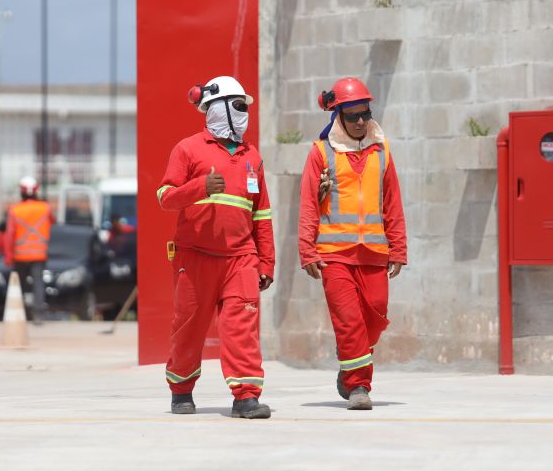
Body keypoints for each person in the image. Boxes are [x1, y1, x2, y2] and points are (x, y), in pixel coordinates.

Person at [157, 75, 275, 419]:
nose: (244, 114)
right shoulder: (188, 149)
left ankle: (246, 396)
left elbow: (262, 214)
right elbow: (165, 197)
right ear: (218, 108)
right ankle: (181, 389)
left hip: (241, 258)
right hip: (195, 257)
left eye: (245, 108)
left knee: (242, 328)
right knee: (189, 327)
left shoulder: (252, 155)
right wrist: (200, 187)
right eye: (238, 106)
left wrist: (266, 262)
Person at [298, 77, 407, 410]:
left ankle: (350, 356)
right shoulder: (320, 154)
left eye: (365, 114)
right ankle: (359, 386)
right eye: (353, 116)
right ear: (338, 117)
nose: (361, 122)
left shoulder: (382, 152)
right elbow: (307, 204)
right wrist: (307, 250)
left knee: (376, 317)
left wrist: (399, 248)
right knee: (349, 321)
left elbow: (393, 203)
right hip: (334, 255)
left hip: (375, 252)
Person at [4, 176, 54, 323]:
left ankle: (19, 313)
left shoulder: (15, 210)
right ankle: (38, 314)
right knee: (38, 284)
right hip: (39, 254)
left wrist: (8, 255)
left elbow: (9, 234)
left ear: (22, 192)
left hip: (20, 255)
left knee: (19, 285)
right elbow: (52, 221)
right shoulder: (45, 208)